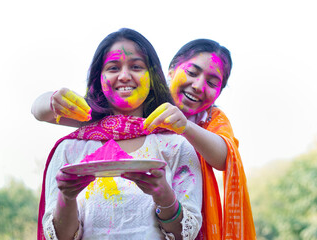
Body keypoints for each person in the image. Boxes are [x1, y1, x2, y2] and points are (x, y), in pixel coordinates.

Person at [33, 38, 256, 239]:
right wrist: (52, 99)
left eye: (212, 82)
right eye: (192, 72)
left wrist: (184, 127)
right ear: (168, 71)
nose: (198, 86)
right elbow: (43, 111)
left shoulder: (200, 126)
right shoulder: (95, 129)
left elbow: (226, 157)